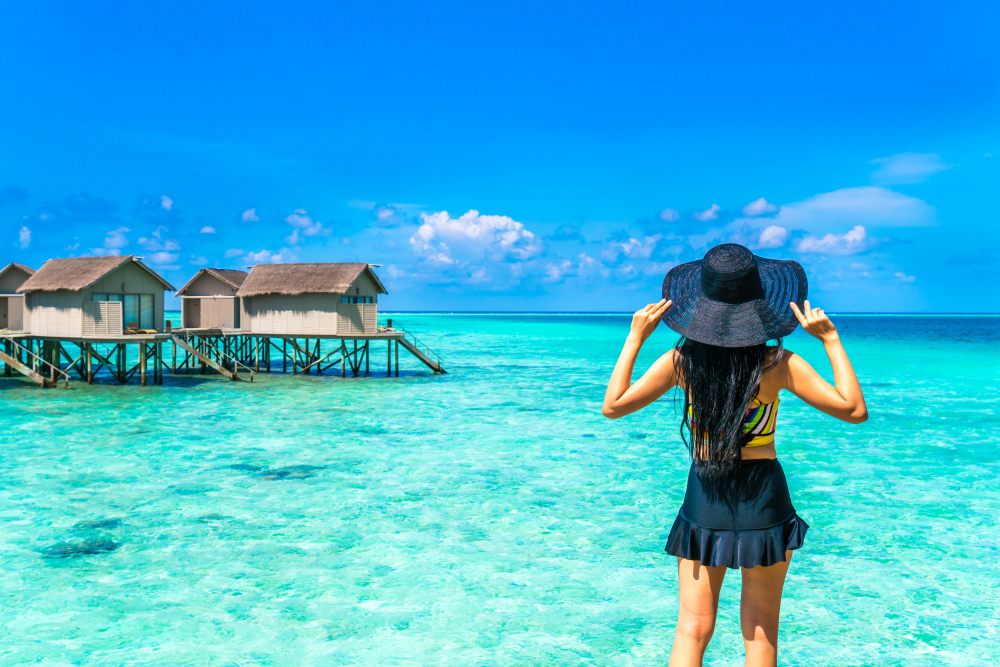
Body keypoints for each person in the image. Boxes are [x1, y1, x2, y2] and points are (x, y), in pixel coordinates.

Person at [602, 243, 867, 667]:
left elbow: (613, 406)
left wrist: (635, 337)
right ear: (759, 303)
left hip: (705, 490)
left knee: (692, 627)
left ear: (702, 305)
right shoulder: (777, 363)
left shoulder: (682, 362)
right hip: (764, 493)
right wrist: (831, 340)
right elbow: (853, 411)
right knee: (761, 630)